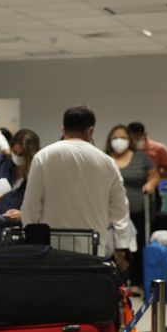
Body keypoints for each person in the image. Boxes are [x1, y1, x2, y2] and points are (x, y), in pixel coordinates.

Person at [21, 106, 130, 262]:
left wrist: (32, 241)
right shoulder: (107, 162)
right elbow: (120, 209)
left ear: (63, 129)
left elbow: (31, 205)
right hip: (92, 249)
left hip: (51, 250)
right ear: (90, 130)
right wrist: (121, 246)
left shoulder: (43, 156)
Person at [105, 124, 159, 294]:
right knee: (114, 246)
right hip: (112, 211)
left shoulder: (141, 158)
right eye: (114, 138)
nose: (118, 141)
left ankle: (137, 282)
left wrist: (150, 184)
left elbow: (155, 175)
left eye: (122, 137)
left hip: (138, 209)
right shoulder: (105, 158)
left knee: (138, 245)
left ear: (129, 140)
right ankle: (117, 281)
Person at [0, 129, 41, 244]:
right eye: (15, 152)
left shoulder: (38, 173)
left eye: (22, 155)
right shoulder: (0, 164)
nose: (17, 157)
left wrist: (22, 215)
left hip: (22, 236)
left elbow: (44, 206)